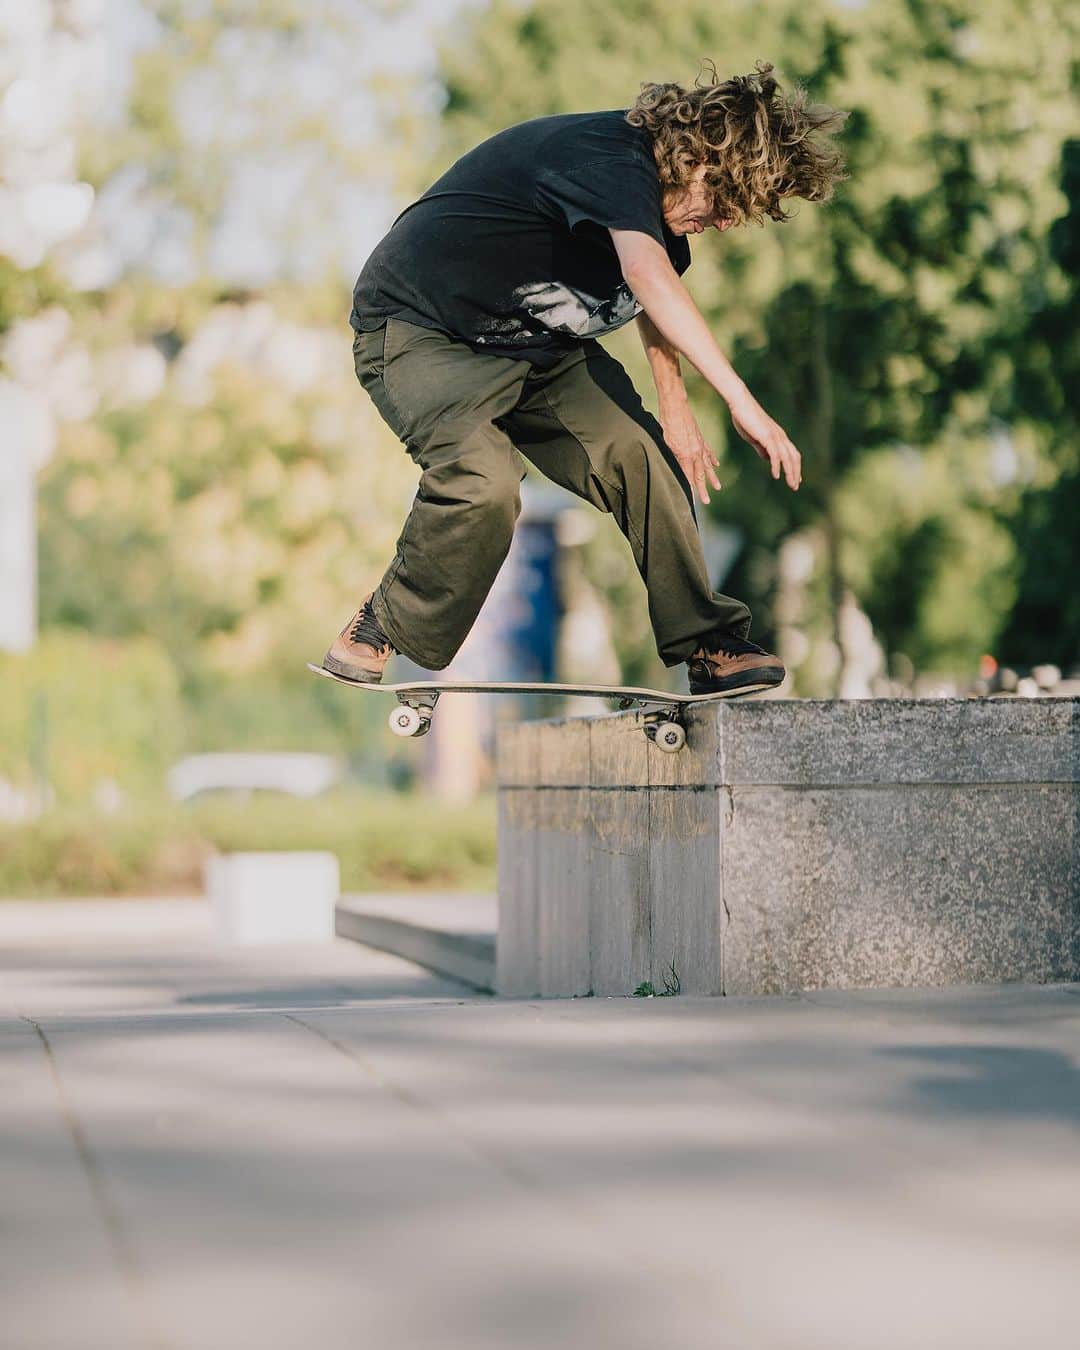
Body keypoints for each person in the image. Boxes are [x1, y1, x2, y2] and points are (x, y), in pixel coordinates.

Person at [323, 60, 847, 693]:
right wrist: (741, 401)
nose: (727, 222)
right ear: (698, 161)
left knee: (644, 455)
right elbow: (648, 274)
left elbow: (651, 295)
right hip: (423, 332)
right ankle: (380, 625)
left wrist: (675, 410)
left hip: (537, 351)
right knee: (483, 482)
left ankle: (708, 643)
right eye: (725, 202)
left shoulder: (655, 213)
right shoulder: (610, 160)